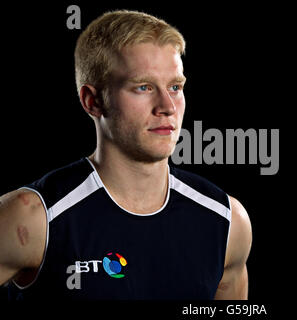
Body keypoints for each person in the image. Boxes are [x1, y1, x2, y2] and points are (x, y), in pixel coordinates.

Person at [0, 10, 252, 300]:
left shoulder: (227, 220)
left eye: (175, 87)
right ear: (92, 101)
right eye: (143, 87)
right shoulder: (32, 217)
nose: (167, 106)